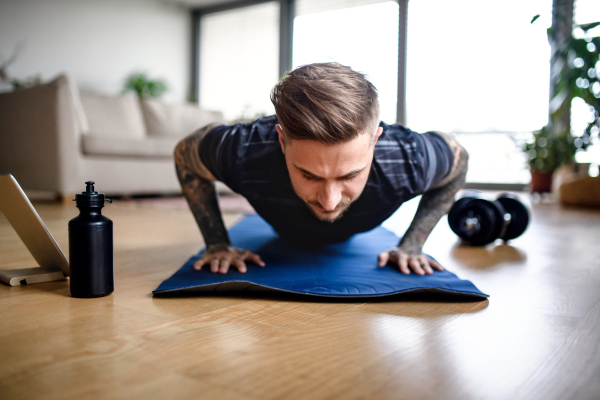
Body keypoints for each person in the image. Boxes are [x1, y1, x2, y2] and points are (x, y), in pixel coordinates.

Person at [174, 62, 468, 276]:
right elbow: (184, 155)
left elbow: (460, 160)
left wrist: (413, 244)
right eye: (309, 175)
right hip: (281, 231)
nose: (329, 201)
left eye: (349, 175)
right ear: (281, 140)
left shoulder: (408, 159)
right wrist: (216, 242)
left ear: (375, 140)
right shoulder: (243, 150)